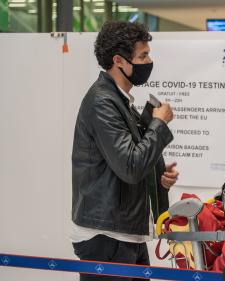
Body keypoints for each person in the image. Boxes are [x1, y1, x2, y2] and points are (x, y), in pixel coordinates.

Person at [71, 21, 179, 280]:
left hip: (124, 233)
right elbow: (131, 167)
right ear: (118, 60)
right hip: (107, 237)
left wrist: (159, 179)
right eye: (143, 56)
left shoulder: (121, 102)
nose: (149, 61)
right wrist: (159, 123)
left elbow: (129, 162)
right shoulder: (102, 103)